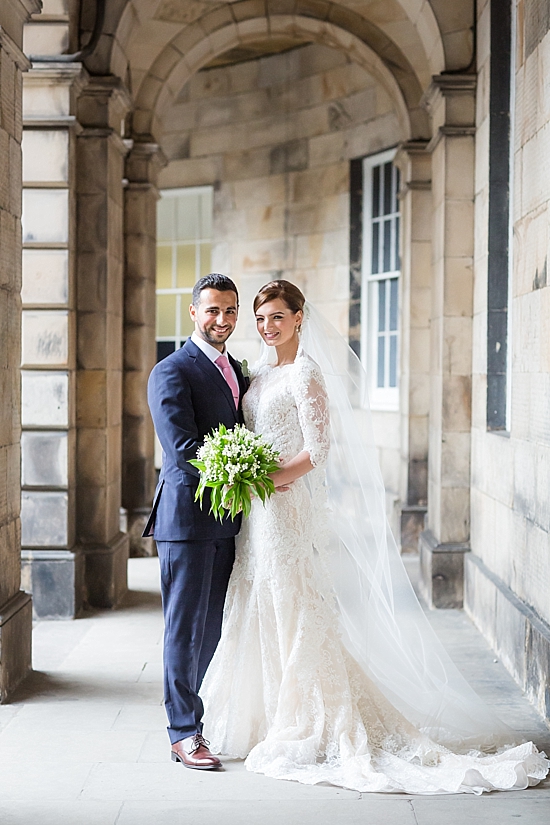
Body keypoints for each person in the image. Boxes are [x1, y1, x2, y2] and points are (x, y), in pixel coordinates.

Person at [200, 279, 549, 794]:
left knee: (295, 603)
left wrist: (260, 478)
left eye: (277, 316)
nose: (267, 326)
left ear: (299, 318)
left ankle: (309, 718)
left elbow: (318, 450)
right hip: (258, 515)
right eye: (261, 318)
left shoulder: (306, 374)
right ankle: (265, 715)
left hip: (286, 507)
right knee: (263, 601)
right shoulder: (260, 373)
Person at [144, 273, 248, 770]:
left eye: (229, 311)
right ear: (193, 313)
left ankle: (197, 722)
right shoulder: (171, 371)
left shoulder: (237, 370)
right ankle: (183, 732)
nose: (221, 320)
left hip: (228, 522)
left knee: (210, 630)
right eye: (212, 310)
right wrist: (244, 472)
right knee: (183, 630)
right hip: (186, 520)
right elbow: (182, 450)